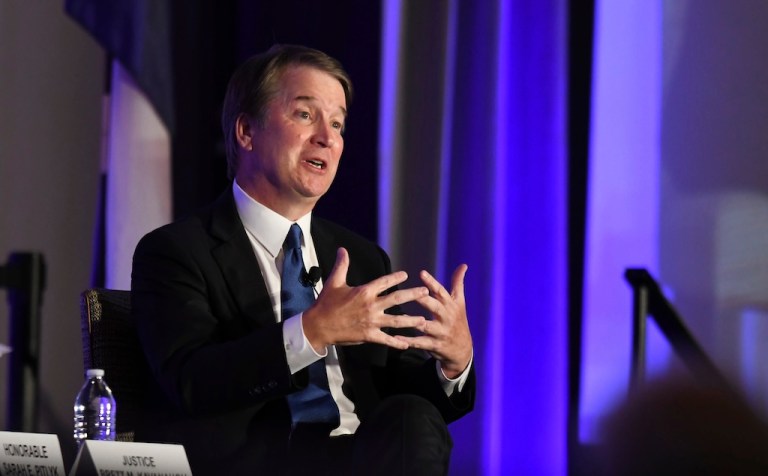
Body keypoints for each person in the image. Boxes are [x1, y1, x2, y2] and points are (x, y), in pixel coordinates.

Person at [131, 44, 475, 475]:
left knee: (411, 416)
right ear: (246, 131)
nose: (327, 138)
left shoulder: (362, 258)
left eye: (337, 124)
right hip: (257, 463)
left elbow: (398, 395)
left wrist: (453, 363)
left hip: (355, 460)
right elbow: (192, 382)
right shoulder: (177, 252)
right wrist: (311, 331)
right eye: (305, 115)